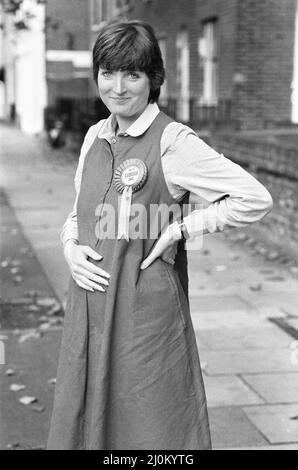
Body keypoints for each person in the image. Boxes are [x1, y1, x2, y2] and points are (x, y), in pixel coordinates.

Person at [47, 19, 273, 450]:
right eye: (108, 72)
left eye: (132, 74)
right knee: (89, 423)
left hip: (144, 312)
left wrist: (182, 228)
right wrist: (69, 247)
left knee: (150, 427)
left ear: (153, 79)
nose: (117, 87)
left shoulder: (173, 142)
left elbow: (253, 197)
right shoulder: (95, 135)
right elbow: (79, 212)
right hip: (90, 305)